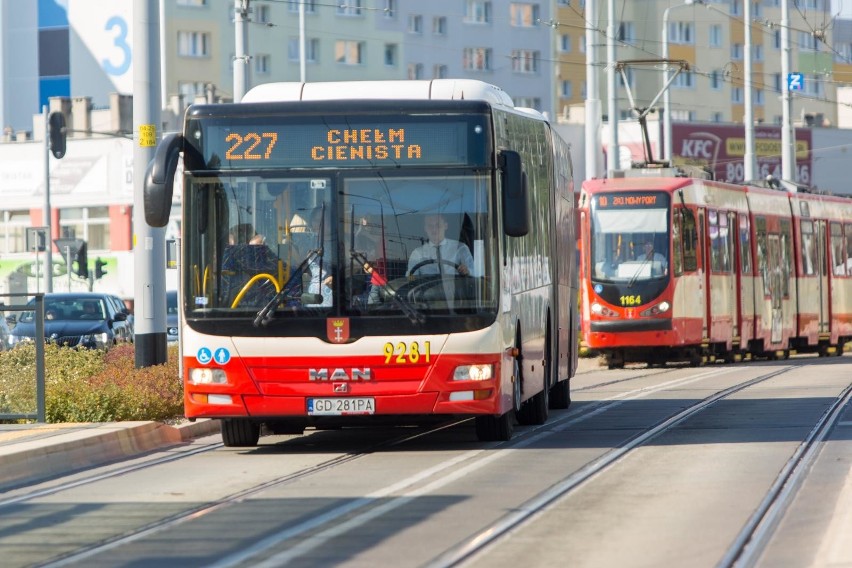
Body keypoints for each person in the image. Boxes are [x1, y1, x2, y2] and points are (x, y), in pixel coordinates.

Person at [407, 214, 474, 277]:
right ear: (425, 228)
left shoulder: (460, 248)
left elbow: (474, 272)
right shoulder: (417, 254)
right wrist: (410, 277)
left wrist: (467, 271)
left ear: (445, 226)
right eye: (430, 226)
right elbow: (410, 277)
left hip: (455, 288)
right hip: (427, 289)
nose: (434, 229)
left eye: (438, 225)